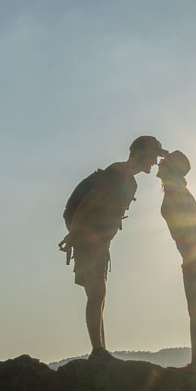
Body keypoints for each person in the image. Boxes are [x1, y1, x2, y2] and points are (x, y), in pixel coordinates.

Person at [60, 135, 167, 360]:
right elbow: (91, 200)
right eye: (153, 157)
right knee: (97, 292)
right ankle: (98, 351)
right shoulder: (119, 174)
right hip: (88, 238)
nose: (154, 163)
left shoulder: (129, 180)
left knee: (98, 293)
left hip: (97, 240)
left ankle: (100, 350)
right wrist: (74, 234)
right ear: (140, 154)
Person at [157, 150, 196, 385]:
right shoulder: (178, 191)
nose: (160, 164)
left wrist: (192, 259)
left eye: (164, 163)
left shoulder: (177, 193)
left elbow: (190, 230)